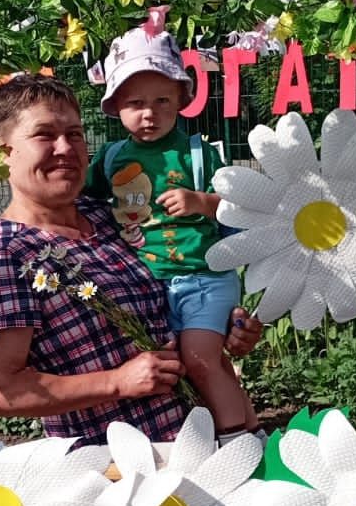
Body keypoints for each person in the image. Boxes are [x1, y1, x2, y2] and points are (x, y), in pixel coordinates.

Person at [0, 74, 262, 445]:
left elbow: (177, 291)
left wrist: (222, 325)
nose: (66, 148)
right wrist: (117, 382)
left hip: (204, 445)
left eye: (74, 134)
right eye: (44, 135)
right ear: (0, 151)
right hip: (118, 470)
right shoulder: (4, 258)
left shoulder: (108, 216)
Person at [85, 27, 259, 439]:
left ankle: (238, 443)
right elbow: (83, 206)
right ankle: (249, 431)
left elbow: (241, 206)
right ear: (116, 108)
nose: (150, 113)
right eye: (136, 103)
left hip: (203, 278)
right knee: (181, 368)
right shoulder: (111, 158)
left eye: (162, 101)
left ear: (182, 99)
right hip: (144, 285)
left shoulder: (198, 151)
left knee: (201, 359)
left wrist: (202, 202)